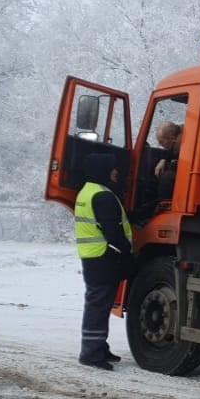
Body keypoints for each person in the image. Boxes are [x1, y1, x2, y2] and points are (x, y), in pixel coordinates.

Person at [74, 152, 133, 370]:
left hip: (92, 255)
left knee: (98, 304)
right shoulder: (103, 196)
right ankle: (91, 353)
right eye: (112, 168)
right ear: (103, 170)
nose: (116, 171)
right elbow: (113, 232)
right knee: (98, 306)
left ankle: (98, 347)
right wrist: (126, 253)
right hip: (103, 256)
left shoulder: (87, 191)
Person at [152, 121, 182, 198]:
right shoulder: (178, 139)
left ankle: (164, 203)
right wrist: (163, 159)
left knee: (167, 177)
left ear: (173, 138)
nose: (160, 145)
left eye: (162, 142)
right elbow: (169, 153)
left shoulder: (183, 147)